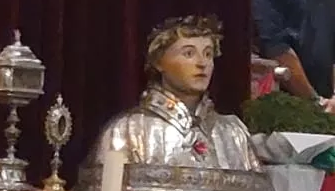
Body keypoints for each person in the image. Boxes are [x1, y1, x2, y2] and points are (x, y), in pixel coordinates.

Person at [89, 15, 256, 171]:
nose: (202, 63)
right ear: (159, 62)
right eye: (188, 53)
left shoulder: (233, 133)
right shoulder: (127, 130)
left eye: (208, 54)